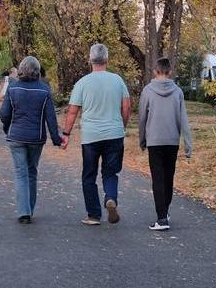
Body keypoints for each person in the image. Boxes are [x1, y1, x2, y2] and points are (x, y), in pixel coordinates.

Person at [61, 43, 131, 226]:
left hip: (91, 136)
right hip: (114, 134)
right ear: (107, 60)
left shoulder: (82, 83)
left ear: (90, 60)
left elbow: (72, 111)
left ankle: (93, 214)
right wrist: (121, 126)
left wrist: (66, 133)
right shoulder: (118, 80)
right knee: (110, 172)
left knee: (89, 175)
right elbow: (126, 107)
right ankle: (111, 198)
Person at [0, 56, 62, 223]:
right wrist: (57, 139)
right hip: (36, 137)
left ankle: (24, 212)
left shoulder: (13, 88)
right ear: (37, 71)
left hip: (16, 137)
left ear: (21, 69)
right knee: (32, 172)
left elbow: (4, 113)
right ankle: (30, 209)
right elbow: (51, 117)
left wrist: (8, 128)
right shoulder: (44, 90)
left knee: (21, 173)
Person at [138, 57, 192, 231]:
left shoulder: (147, 91)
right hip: (172, 140)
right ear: (170, 72)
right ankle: (165, 211)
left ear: (155, 71)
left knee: (158, 179)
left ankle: (161, 219)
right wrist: (188, 144)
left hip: (154, 140)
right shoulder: (178, 92)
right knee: (168, 177)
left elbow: (142, 118)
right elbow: (184, 119)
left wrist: (142, 139)